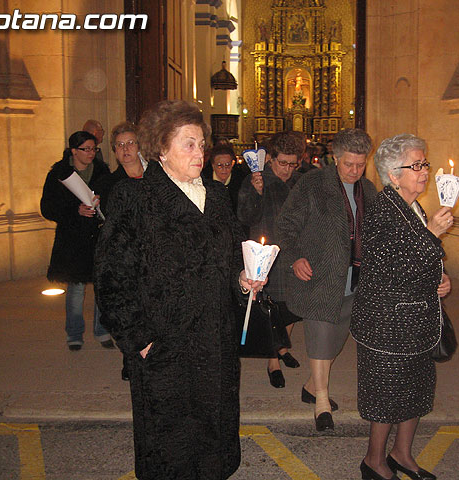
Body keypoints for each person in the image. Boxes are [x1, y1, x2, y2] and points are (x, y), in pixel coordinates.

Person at [93, 100, 264, 480]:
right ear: (161, 150)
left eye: (202, 144)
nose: (200, 152)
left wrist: (244, 278)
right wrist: (139, 339)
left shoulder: (217, 198)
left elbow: (235, 257)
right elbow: (111, 278)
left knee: (212, 440)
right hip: (166, 348)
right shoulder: (135, 199)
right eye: (188, 144)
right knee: (171, 448)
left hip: (214, 344)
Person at [351, 134, 453, 480]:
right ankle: (374, 460)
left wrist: (442, 279)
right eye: (417, 165)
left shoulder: (413, 206)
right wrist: (433, 235)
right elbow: (393, 268)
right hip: (387, 323)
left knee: (417, 390)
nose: (425, 171)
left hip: (417, 319)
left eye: (425, 163)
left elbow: (422, 263)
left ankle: (402, 454)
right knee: (387, 396)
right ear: (394, 175)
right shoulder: (381, 210)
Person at [276, 128, 377, 431]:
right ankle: (321, 401)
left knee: (336, 341)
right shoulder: (312, 184)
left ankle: (310, 386)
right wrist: (294, 257)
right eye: (349, 164)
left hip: (353, 279)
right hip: (319, 277)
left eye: (361, 165)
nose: (355, 171)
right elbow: (285, 225)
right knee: (320, 340)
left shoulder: (369, 189)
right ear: (335, 158)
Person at [237, 131, 305, 388]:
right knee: (272, 308)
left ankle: (281, 348)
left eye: (292, 164)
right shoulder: (256, 180)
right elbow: (244, 217)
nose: (287, 169)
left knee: (292, 309)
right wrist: (255, 194)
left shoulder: (300, 182)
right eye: (282, 163)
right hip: (268, 255)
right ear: (270, 159)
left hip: (295, 253)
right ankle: (272, 361)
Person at [40, 131, 113, 351]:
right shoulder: (59, 174)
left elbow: (113, 202)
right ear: (73, 150)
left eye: (94, 149)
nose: (91, 153)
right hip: (73, 240)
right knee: (76, 289)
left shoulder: (102, 172)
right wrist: (75, 210)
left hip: (98, 236)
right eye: (86, 149)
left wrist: (102, 203)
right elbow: (48, 208)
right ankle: (74, 334)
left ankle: (102, 331)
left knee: (102, 288)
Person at [93, 121, 145, 381]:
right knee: (130, 310)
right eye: (120, 145)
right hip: (126, 258)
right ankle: (130, 358)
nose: (126, 149)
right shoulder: (108, 183)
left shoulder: (156, 176)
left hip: (153, 255)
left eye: (130, 143)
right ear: (114, 151)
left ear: (139, 146)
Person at [201, 143, 247, 213]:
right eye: (220, 165)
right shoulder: (203, 181)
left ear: (232, 164)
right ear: (213, 166)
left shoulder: (241, 181)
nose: (224, 169)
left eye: (227, 165)